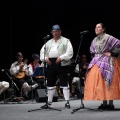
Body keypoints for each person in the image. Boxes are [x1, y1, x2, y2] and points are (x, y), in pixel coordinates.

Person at [84, 23, 120, 110]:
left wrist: (111, 53)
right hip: (98, 60)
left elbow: (118, 44)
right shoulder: (95, 39)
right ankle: (104, 103)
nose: (96, 29)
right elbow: (92, 50)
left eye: (98, 27)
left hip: (108, 61)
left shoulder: (108, 37)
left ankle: (110, 104)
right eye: (95, 27)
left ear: (103, 29)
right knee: (100, 81)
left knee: (109, 80)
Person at [40, 24, 73, 108]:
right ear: (52, 32)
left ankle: (67, 102)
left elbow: (70, 52)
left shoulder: (66, 41)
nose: (55, 33)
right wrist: (45, 58)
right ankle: (49, 102)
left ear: (60, 32)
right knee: (50, 83)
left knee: (64, 82)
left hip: (61, 63)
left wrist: (62, 57)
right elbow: (42, 53)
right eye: (53, 31)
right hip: (51, 63)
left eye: (57, 31)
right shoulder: (48, 42)